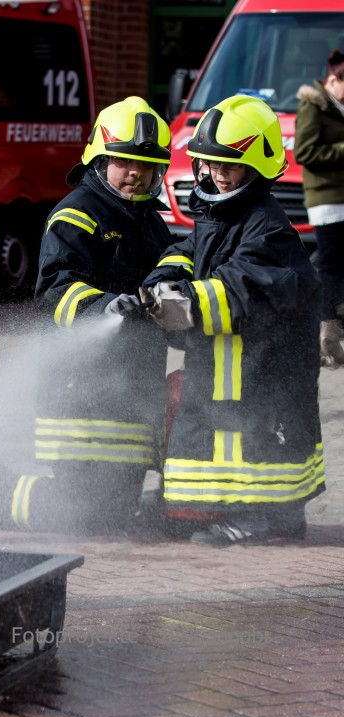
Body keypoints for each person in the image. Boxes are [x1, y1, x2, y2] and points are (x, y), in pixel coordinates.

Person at [0, 97, 173, 535]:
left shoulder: (150, 222)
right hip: (80, 394)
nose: (135, 174)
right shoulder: (77, 214)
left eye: (146, 165)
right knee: (77, 516)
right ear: (100, 158)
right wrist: (103, 307)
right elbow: (55, 289)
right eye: (125, 162)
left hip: (132, 390)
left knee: (114, 515)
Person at [142, 95, 326, 545]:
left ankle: (266, 520)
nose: (218, 175)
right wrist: (166, 277)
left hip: (263, 373)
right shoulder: (221, 215)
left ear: (258, 166)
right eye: (210, 164)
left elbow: (242, 287)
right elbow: (190, 254)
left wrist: (184, 302)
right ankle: (205, 511)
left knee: (256, 446)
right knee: (217, 443)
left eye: (230, 166)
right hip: (229, 372)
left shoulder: (267, 226)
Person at [294, 49, 344, 367]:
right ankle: (324, 327)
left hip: (341, 196)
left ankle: (332, 329)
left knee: (336, 263)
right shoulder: (314, 105)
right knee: (328, 263)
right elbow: (304, 151)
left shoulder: (337, 107)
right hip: (326, 197)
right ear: (334, 79)